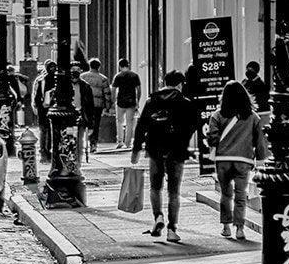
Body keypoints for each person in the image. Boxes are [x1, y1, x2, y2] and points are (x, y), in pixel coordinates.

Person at [129, 68, 204, 242]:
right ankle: (172, 229)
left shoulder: (152, 100)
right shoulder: (185, 102)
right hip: (177, 150)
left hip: (155, 149)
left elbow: (141, 127)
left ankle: (158, 217)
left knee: (155, 187)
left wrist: (136, 150)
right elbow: (195, 125)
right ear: (179, 84)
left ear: (165, 83)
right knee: (174, 192)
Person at [210, 77, 268, 240]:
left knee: (226, 194)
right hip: (244, 160)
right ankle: (240, 228)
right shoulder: (253, 116)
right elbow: (260, 141)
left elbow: (212, 137)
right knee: (241, 194)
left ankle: (226, 226)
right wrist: (260, 160)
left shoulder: (217, 115)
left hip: (223, 160)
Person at [112, 59, 142, 148]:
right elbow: (139, 90)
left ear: (119, 66)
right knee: (130, 122)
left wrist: (114, 101)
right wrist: (137, 100)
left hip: (120, 101)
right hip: (131, 102)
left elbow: (113, 90)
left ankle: (120, 141)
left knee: (119, 121)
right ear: (128, 65)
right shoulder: (134, 75)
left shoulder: (118, 76)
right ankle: (128, 143)